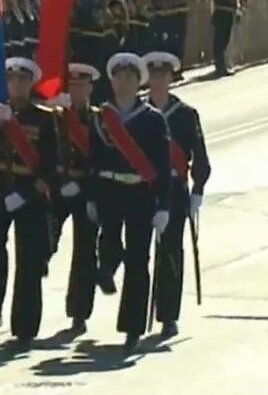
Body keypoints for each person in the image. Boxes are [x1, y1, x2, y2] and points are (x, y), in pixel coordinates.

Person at [87, 52, 171, 354]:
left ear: (138, 83)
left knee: (138, 259)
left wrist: (163, 205)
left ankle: (133, 328)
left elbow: (162, 165)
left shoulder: (152, 119)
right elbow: (92, 161)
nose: (124, 82)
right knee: (107, 240)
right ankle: (107, 268)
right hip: (109, 189)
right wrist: (91, 198)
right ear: (112, 81)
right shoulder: (100, 118)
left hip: (140, 193)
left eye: (130, 78)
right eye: (119, 77)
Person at [0, 57, 59, 344]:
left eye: (23, 80)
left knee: (29, 260)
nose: (17, 85)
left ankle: (24, 326)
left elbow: (51, 165)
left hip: (30, 194)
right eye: (12, 80)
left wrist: (26, 193)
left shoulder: (44, 118)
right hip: (0, 190)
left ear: (30, 83)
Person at [142, 50, 211, 338]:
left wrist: (197, 190)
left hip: (175, 192)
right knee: (140, 253)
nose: (158, 80)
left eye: (163, 75)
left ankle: (168, 314)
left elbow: (201, 158)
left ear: (171, 78)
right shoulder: (138, 114)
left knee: (170, 251)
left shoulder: (185, 115)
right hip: (143, 190)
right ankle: (137, 313)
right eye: (153, 75)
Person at [47, 62, 102, 335]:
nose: (77, 91)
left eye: (82, 86)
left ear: (90, 88)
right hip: (58, 188)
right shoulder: (55, 117)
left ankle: (79, 313)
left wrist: (92, 195)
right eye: (73, 86)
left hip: (86, 188)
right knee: (40, 242)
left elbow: (102, 159)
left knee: (84, 252)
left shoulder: (100, 119)